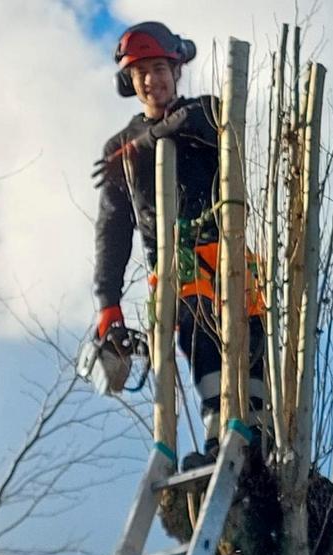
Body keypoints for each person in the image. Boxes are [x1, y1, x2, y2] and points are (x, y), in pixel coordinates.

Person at [92, 22, 265, 467]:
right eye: (140, 73)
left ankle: (258, 429)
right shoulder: (119, 152)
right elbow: (112, 230)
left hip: (229, 252)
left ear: (176, 69)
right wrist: (106, 301)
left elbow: (197, 122)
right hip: (178, 267)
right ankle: (217, 434)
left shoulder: (205, 113)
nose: (152, 80)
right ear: (129, 83)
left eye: (158, 68)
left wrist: (146, 141)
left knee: (251, 340)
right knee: (197, 335)